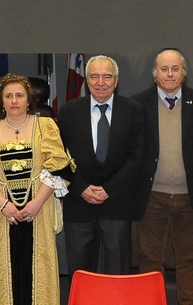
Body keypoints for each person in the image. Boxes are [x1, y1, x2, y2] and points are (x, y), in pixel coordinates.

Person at [0, 73, 73, 304]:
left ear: (28, 100)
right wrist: (4, 205)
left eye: (19, 95)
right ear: (1, 101)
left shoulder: (46, 126)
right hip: (0, 213)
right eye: (8, 96)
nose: (14, 100)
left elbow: (57, 168)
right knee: (1, 269)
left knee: (37, 271)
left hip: (39, 210)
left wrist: (36, 204)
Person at [132, 48, 193, 305]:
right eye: (164, 69)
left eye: (175, 69)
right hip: (151, 196)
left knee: (191, 259)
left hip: (189, 195)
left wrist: (190, 167)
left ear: (183, 72)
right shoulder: (138, 103)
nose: (169, 74)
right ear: (155, 74)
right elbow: (132, 146)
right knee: (149, 259)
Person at [58, 55, 145, 276]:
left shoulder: (134, 109)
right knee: (80, 274)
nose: (100, 82)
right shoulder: (68, 111)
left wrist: (110, 189)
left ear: (116, 80)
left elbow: (137, 156)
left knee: (116, 275)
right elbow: (58, 157)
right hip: (78, 204)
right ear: (87, 80)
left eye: (107, 76)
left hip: (117, 203)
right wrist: (81, 187)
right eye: (94, 76)